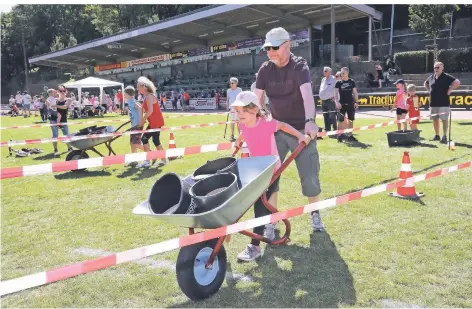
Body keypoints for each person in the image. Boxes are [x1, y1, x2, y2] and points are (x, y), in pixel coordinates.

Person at [253, 27, 324, 243]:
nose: (271, 52)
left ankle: (315, 213)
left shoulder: (299, 66)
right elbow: (256, 100)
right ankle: (272, 221)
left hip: (301, 131)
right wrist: (254, 124)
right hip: (276, 129)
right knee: (271, 178)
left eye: (275, 47)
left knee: (309, 174)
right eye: (267, 48)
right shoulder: (265, 70)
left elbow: (307, 97)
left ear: (287, 45)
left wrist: (310, 122)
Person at [232, 91, 311, 261]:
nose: (238, 115)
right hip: (256, 170)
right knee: (263, 202)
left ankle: (255, 246)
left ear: (254, 110)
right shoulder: (243, 125)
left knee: (260, 205)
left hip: (271, 170)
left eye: (242, 111)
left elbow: (283, 126)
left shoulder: (266, 124)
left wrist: (300, 136)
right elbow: (244, 133)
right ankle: (271, 222)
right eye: (236, 112)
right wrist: (239, 141)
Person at [424, 62, 461, 144]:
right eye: (435, 68)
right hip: (433, 103)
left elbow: (457, 82)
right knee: (435, 119)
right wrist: (429, 91)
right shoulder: (431, 77)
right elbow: (425, 83)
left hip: (443, 102)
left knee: (444, 119)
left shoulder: (446, 76)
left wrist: (450, 90)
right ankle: (437, 135)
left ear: (442, 68)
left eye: (438, 67)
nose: (436, 69)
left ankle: (444, 136)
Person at [136, 76, 167, 168]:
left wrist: (143, 120)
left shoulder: (149, 96)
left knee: (149, 140)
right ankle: (159, 159)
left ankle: (150, 160)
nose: (137, 89)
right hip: (154, 122)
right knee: (152, 140)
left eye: (138, 87)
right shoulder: (147, 97)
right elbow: (145, 109)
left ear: (144, 87)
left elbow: (150, 111)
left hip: (155, 122)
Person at [46, 86, 72, 155]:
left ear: (66, 92)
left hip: (63, 120)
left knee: (66, 134)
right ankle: (55, 149)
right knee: (55, 135)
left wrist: (55, 106)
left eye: (64, 91)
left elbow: (65, 107)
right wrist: (48, 103)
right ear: (58, 92)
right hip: (53, 119)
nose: (62, 92)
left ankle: (69, 148)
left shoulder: (68, 99)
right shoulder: (54, 99)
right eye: (61, 91)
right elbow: (48, 103)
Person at [335, 67, 359, 142]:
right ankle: (340, 135)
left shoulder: (352, 81)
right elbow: (335, 94)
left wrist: (356, 102)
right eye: (341, 73)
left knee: (351, 120)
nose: (341, 74)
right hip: (341, 104)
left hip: (350, 103)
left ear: (347, 73)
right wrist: (337, 102)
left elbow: (355, 93)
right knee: (341, 120)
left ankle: (350, 135)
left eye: (343, 73)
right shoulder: (338, 83)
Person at [124, 86, 144, 166]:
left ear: (128, 94)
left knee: (135, 143)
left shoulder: (131, 101)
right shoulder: (131, 101)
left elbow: (139, 108)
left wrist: (140, 120)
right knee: (132, 143)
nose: (124, 95)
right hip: (134, 124)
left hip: (137, 124)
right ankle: (134, 160)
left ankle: (150, 152)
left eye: (125, 94)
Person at [319, 66, 337, 135]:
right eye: (324, 71)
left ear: (330, 72)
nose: (324, 72)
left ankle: (335, 129)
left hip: (330, 100)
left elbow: (337, 88)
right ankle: (327, 129)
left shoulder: (333, 79)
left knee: (332, 115)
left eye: (326, 71)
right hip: (323, 101)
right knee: (325, 115)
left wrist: (335, 97)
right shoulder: (323, 79)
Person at [226, 77, 242, 142]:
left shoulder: (239, 90)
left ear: (236, 83)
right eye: (230, 83)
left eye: (232, 83)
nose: (231, 84)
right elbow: (227, 99)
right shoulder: (228, 90)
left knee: (239, 122)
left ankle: (240, 135)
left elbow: (242, 99)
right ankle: (232, 135)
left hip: (238, 108)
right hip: (231, 108)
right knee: (232, 122)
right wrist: (227, 106)